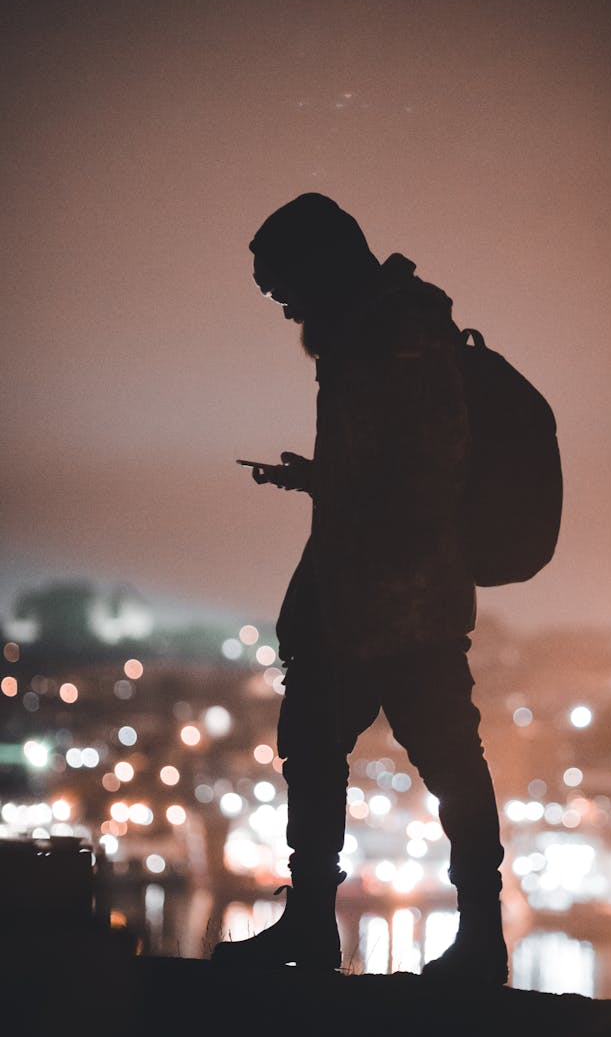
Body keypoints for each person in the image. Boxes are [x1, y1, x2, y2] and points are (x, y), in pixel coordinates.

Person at [212, 193, 508, 981]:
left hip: (402, 605)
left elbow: (426, 474)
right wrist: (322, 479)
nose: (286, 312)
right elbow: (384, 466)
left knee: (445, 764)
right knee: (319, 751)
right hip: (358, 600)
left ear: (322, 268)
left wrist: (335, 486)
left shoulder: (402, 335)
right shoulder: (366, 335)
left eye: (286, 292)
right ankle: (315, 923)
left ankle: (478, 937)